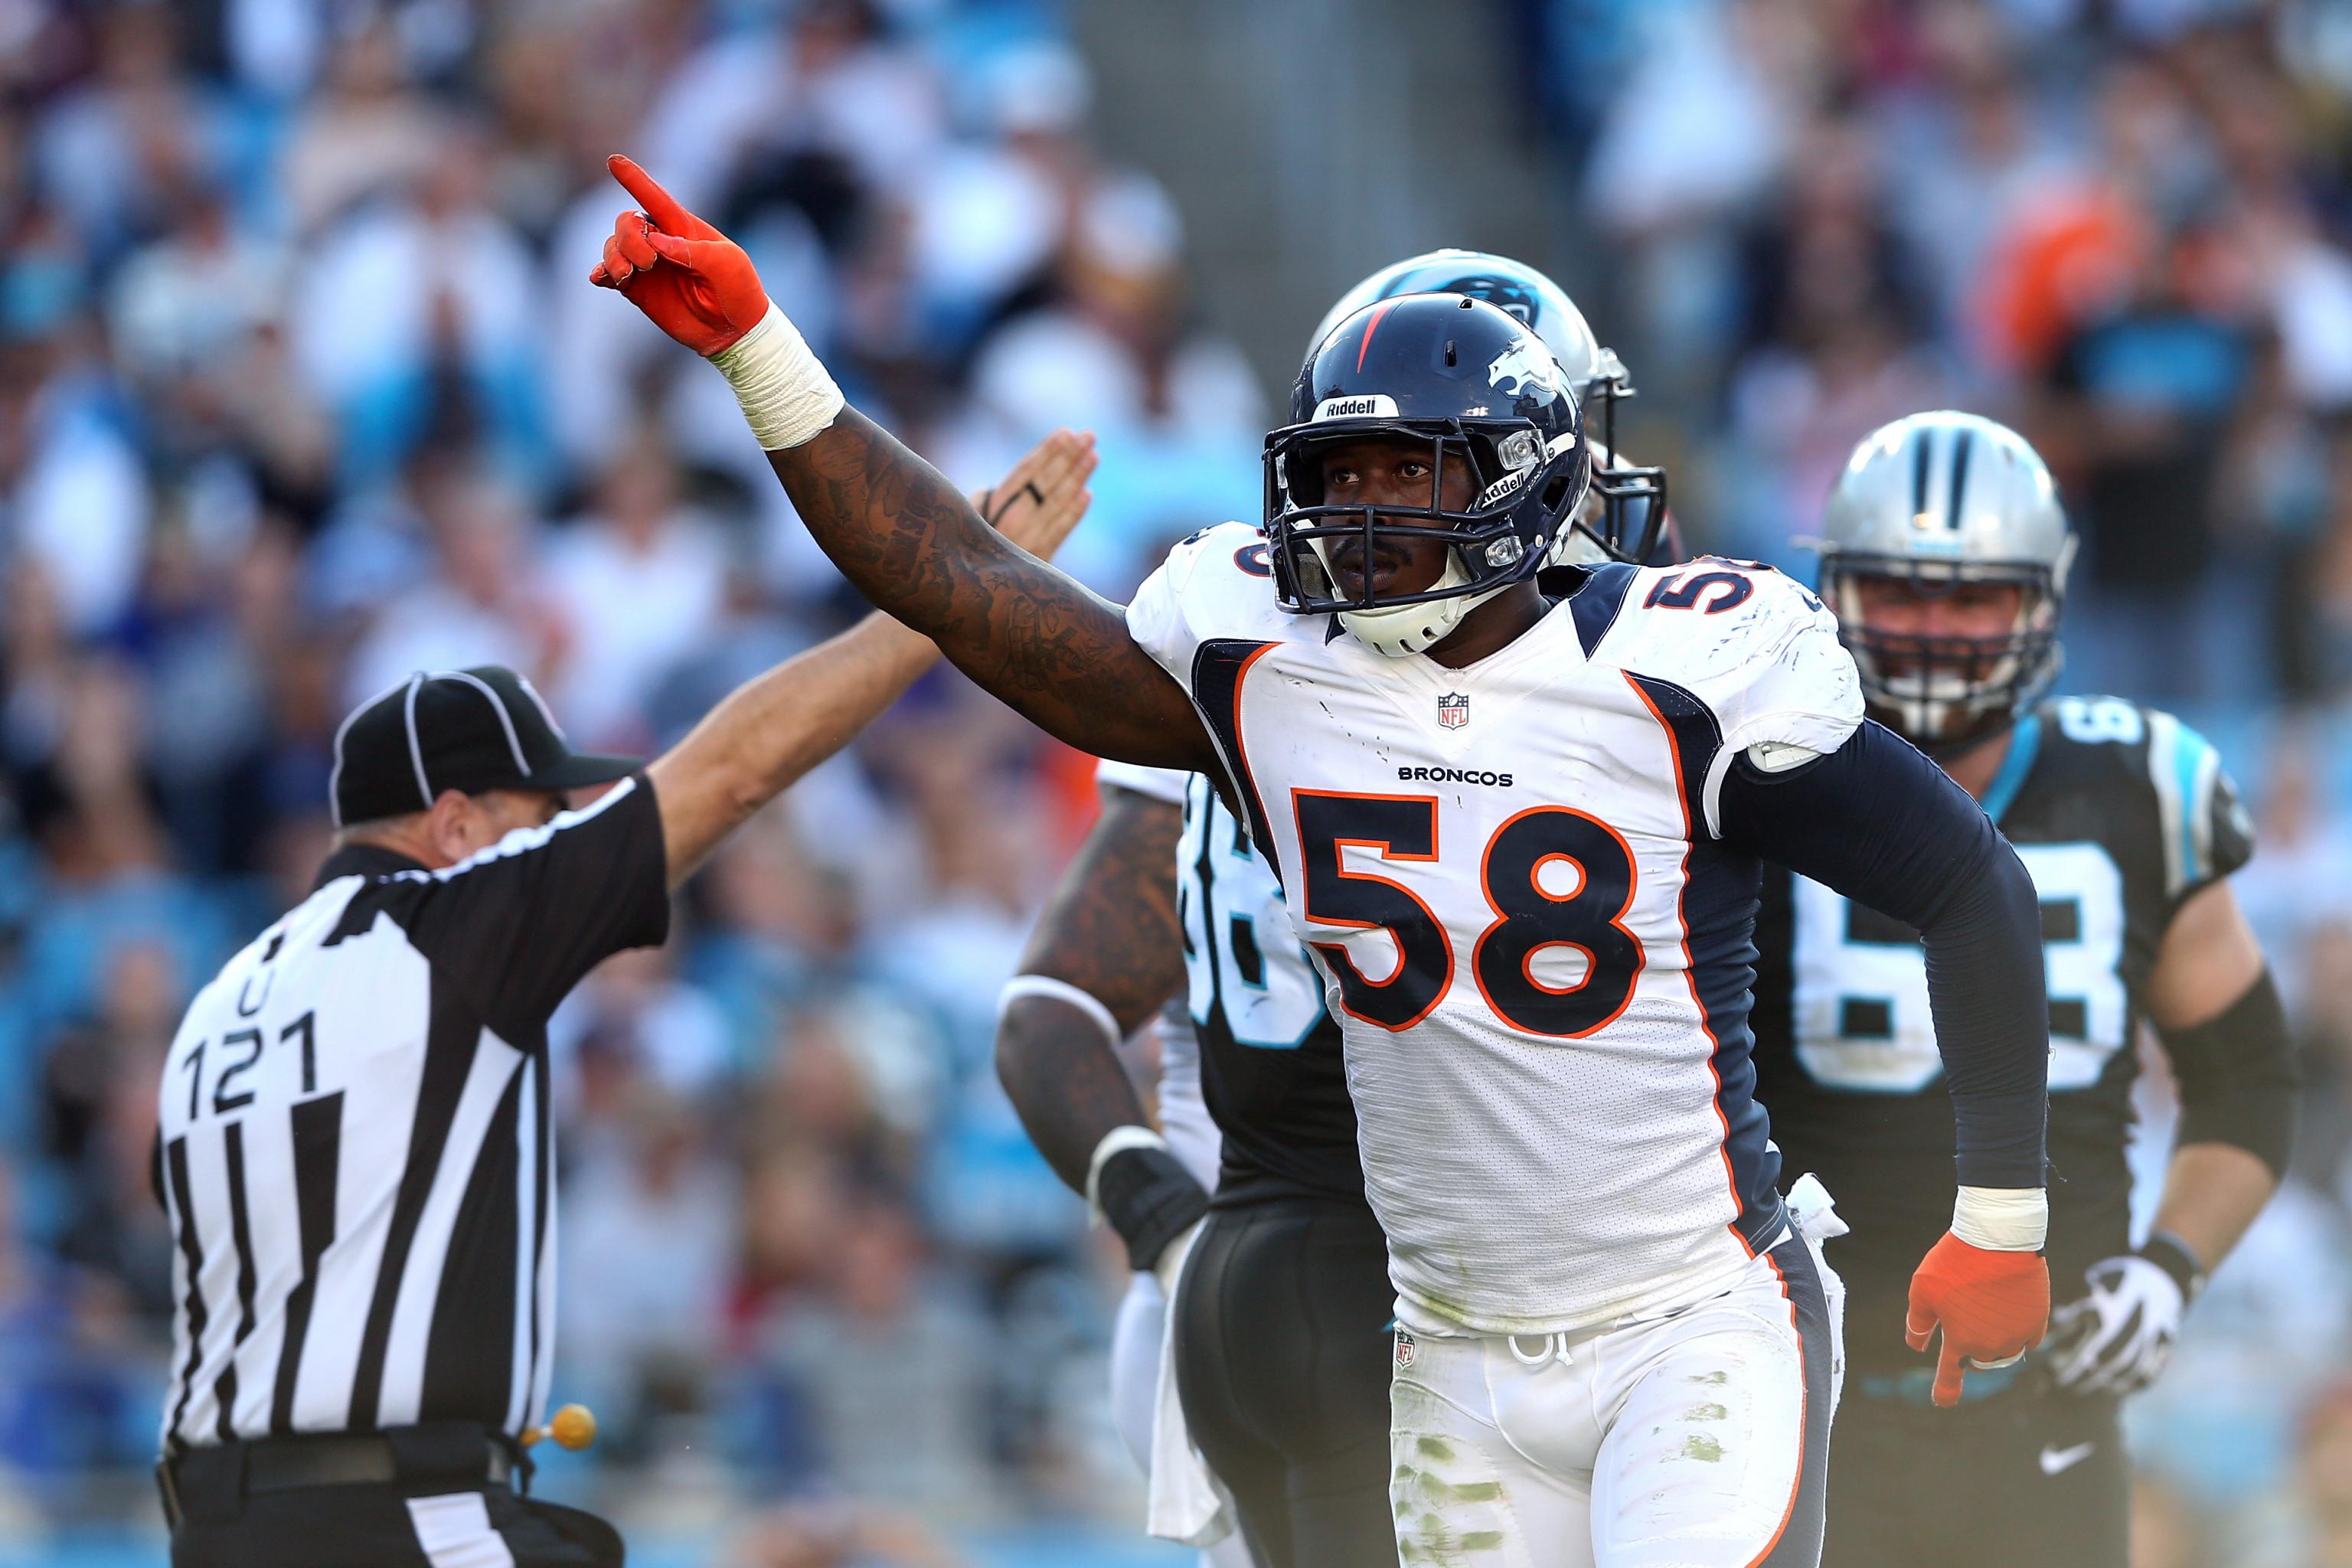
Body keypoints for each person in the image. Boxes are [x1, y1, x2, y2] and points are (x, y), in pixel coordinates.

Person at [593, 156, 2054, 1568]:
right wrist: (764, 356)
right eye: (1334, 473)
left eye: (1407, 475)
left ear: (1524, 477)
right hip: (1449, 1349)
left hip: (1690, 1319)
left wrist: (2001, 1215)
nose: (1361, 516)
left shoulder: (1687, 662)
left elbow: (1966, 880)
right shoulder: (1268, 666)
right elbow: (967, 595)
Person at [148, 432, 1095, 1567]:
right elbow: (734, 769)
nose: (549, 841)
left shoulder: (218, 1005)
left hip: (216, 1528)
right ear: (453, 826)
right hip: (400, 1518)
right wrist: (949, 596)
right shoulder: (446, 931)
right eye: (533, 815)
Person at [992, 251, 1665, 1568]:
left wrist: (1164, 1227)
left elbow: (1048, 1010)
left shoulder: (1241, 654)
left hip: (1247, 1281)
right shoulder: (1525, 699)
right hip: (1401, 1295)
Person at [1753, 410, 2297, 1568]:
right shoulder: (1748, 780)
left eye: (1972, 599)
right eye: (1898, 593)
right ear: (1835, 591)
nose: (1932, 632)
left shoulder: (2143, 785)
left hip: (2040, 1405)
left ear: (2043, 604)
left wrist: (2168, 1270)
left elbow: (2247, 1086)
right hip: (1783, 1395)